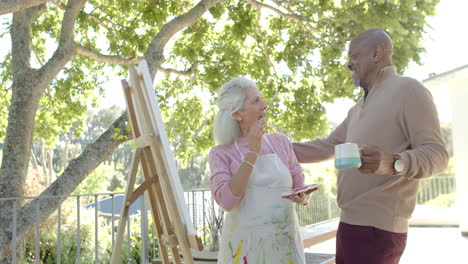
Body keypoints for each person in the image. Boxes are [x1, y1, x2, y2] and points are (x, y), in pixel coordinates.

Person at [293, 28, 449, 264]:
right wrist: (267, 146)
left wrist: (394, 163)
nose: (349, 64)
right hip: (348, 225)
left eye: (354, 55)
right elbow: (326, 146)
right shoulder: (356, 108)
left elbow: (438, 155)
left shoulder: (409, 90)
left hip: (378, 230)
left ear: (376, 53)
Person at [208, 77, 310, 264]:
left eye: (261, 99)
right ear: (237, 113)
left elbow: (299, 186)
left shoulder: (280, 141)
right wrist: (253, 152)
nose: (264, 105)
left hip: (284, 249)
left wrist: (303, 196)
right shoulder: (220, 154)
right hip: (243, 251)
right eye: (255, 101)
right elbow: (227, 201)